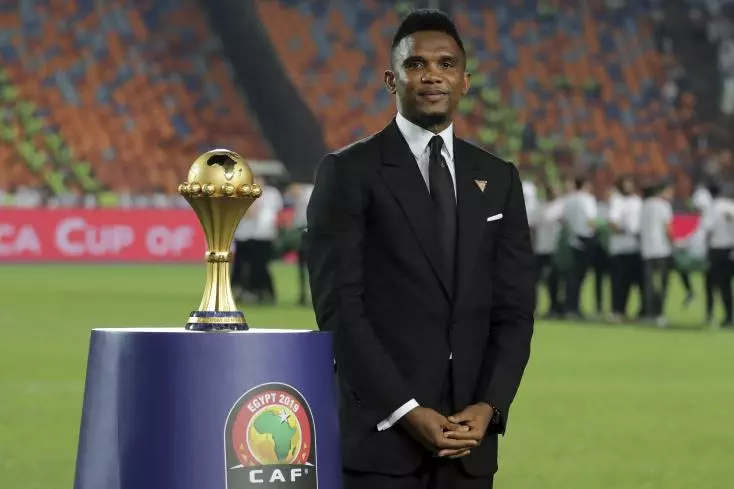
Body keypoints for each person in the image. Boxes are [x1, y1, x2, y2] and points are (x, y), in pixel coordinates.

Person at [305, 9, 535, 489]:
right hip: (382, 445)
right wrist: (406, 410)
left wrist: (490, 406)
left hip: (468, 446)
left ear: (465, 81)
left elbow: (514, 309)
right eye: (416, 65)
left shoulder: (498, 177)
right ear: (392, 79)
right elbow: (339, 309)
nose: (432, 74)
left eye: (446, 64)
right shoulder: (348, 172)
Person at [607, 176, 643, 321]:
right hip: (620, 248)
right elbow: (613, 223)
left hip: (636, 248)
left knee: (637, 282)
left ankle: (641, 311)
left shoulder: (637, 201)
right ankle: (617, 310)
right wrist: (626, 231)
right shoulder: (617, 200)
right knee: (619, 282)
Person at [561, 176, 598, 319]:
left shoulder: (568, 199)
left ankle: (569, 306)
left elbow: (564, 219)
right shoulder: (587, 199)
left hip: (572, 238)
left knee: (572, 275)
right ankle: (574, 307)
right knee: (580, 276)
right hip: (586, 238)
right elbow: (591, 220)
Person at [639, 181, 674, 327]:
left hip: (646, 250)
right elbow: (668, 229)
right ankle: (659, 314)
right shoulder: (663, 205)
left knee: (649, 284)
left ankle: (649, 313)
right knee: (662, 284)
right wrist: (674, 243)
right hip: (661, 250)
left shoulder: (645, 205)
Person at [700, 183, 734, 327]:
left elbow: (708, 230)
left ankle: (722, 316)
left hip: (718, 250)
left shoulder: (712, 208)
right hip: (731, 247)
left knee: (720, 285)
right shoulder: (731, 205)